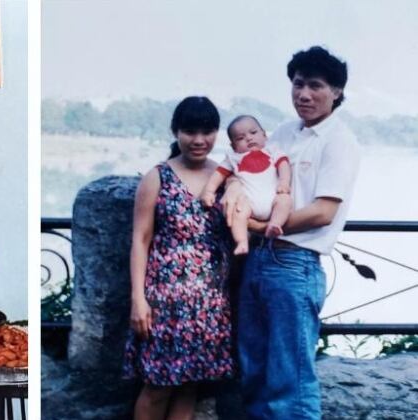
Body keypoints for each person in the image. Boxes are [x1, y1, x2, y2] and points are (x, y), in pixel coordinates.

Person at [233, 46, 361, 419]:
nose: (304, 94)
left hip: (295, 264)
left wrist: (258, 226)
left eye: (315, 86)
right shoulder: (285, 133)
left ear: (336, 91)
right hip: (258, 258)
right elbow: (251, 174)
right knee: (253, 369)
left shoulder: (339, 141)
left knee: (290, 378)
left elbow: (323, 212)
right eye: (298, 84)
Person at [123, 96, 234, 420]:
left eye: (207, 131)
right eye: (190, 131)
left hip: (209, 301)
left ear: (216, 133)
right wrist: (138, 300)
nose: (199, 140)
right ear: (176, 132)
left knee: (189, 386)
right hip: (165, 300)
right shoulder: (158, 176)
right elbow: (140, 239)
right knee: (157, 386)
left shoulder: (227, 178)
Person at [201, 115, 292, 255]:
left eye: (253, 133)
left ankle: (275, 224)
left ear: (264, 135)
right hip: (249, 203)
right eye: (240, 138)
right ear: (233, 146)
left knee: (285, 200)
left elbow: (284, 165)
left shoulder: (272, 150)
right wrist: (209, 191)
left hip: (273, 198)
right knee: (238, 211)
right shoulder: (233, 158)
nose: (249, 138)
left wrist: (284, 182)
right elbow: (218, 175)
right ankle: (242, 241)